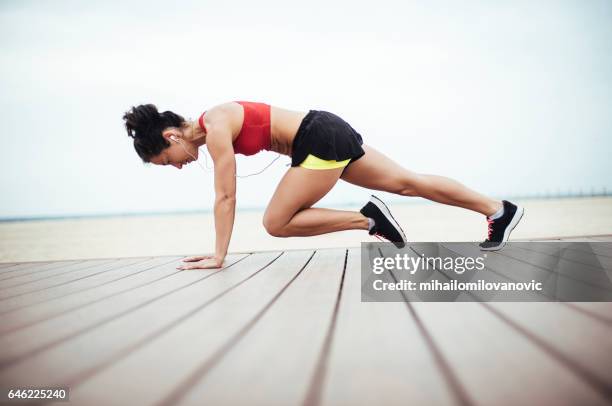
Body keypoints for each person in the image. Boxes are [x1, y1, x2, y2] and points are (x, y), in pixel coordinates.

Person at [122, 101, 524, 270]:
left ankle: (367, 218)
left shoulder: (216, 125)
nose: (173, 168)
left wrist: (218, 256)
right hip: (324, 133)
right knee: (406, 183)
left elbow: (226, 196)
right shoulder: (212, 128)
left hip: (317, 139)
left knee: (276, 222)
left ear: (171, 139)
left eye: (164, 162)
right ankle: (497, 210)